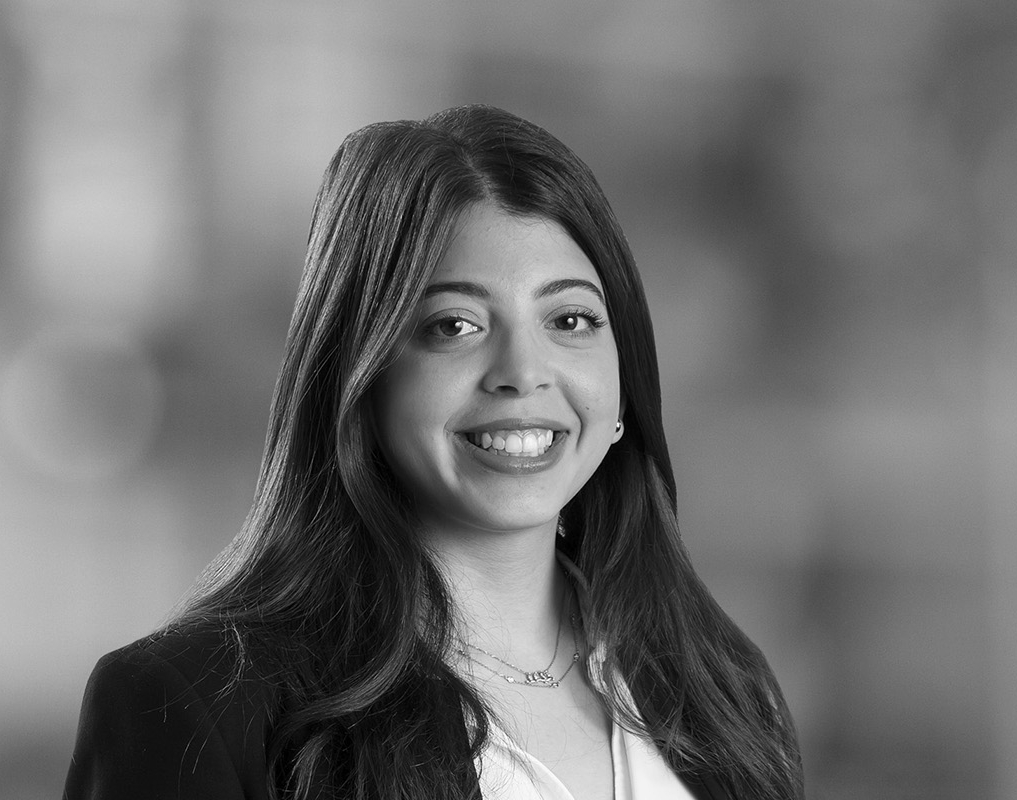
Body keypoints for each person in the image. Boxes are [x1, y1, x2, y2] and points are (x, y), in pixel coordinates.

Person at [63, 105, 803, 800]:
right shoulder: (195, 704)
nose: (522, 373)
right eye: (454, 326)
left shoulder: (725, 691)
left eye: (570, 320)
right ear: (359, 376)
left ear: (623, 385)